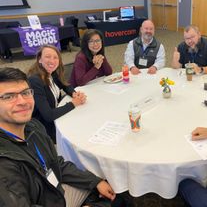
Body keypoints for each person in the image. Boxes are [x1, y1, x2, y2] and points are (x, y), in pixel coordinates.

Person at [0, 67, 125, 206]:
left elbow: (56, 163)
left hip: (55, 191)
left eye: (25, 93)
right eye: (8, 96)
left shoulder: (33, 126)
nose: (22, 101)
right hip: (51, 200)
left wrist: (94, 181)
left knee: (113, 191)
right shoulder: (4, 164)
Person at [28, 45, 87, 143]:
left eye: (55, 57)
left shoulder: (51, 72)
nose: (52, 60)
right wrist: (73, 103)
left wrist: (74, 93)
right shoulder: (35, 81)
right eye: (48, 56)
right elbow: (48, 115)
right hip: (45, 127)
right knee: (82, 130)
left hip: (56, 114)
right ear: (39, 59)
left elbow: (65, 85)